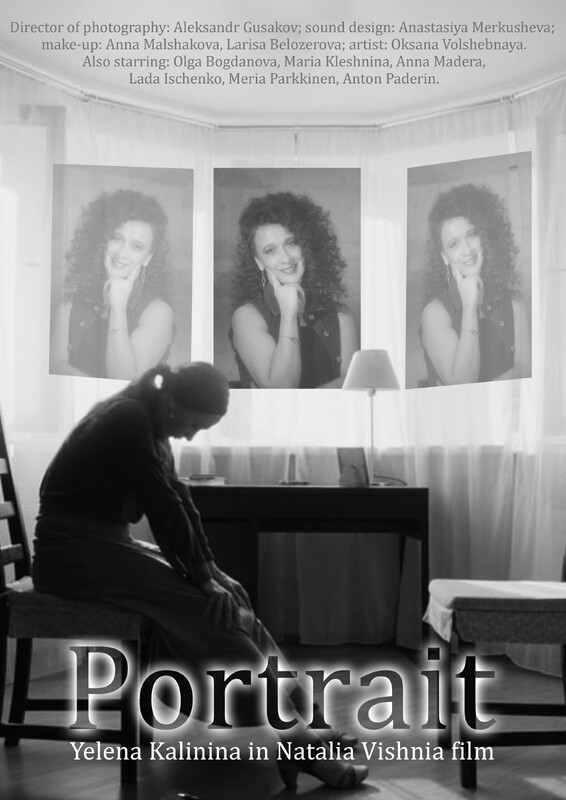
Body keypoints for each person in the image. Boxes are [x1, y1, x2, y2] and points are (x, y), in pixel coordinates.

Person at [32, 362, 367, 791]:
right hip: (70, 555)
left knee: (232, 602)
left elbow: (179, 498)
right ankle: (300, 745)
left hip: (101, 547)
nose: (191, 436)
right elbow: (161, 505)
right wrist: (202, 580)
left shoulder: (148, 419)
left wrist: (212, 570)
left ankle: (310, 723)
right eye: (193, 425)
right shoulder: (127, 418)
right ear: (173, 402)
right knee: (211, 609)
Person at [230, 192, 358, 388]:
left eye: (291, 243)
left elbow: (353, 388)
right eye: (270, 250)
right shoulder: (247, 316)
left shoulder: (340, 315)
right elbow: (282, 389)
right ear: (259, 262)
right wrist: (289, 314)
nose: (286, 258)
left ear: (306, 245)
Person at [50, 189, 175, 380]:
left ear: (147, 258)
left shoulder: (158, 312)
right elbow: (55, 368)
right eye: (117, 238)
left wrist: (118, 307)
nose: (121, 253)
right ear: (103, 241)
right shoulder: (70, 303)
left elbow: (123, 380)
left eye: (136, 246)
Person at [420, 183, 531, 386]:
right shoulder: (434, 313)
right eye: (454, 244)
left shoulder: (514, 304)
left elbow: (526, 371)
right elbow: (462, 384)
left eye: (471, 235)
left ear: (484, 237)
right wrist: (470, 305)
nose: (467, 250)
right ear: (444, 256)